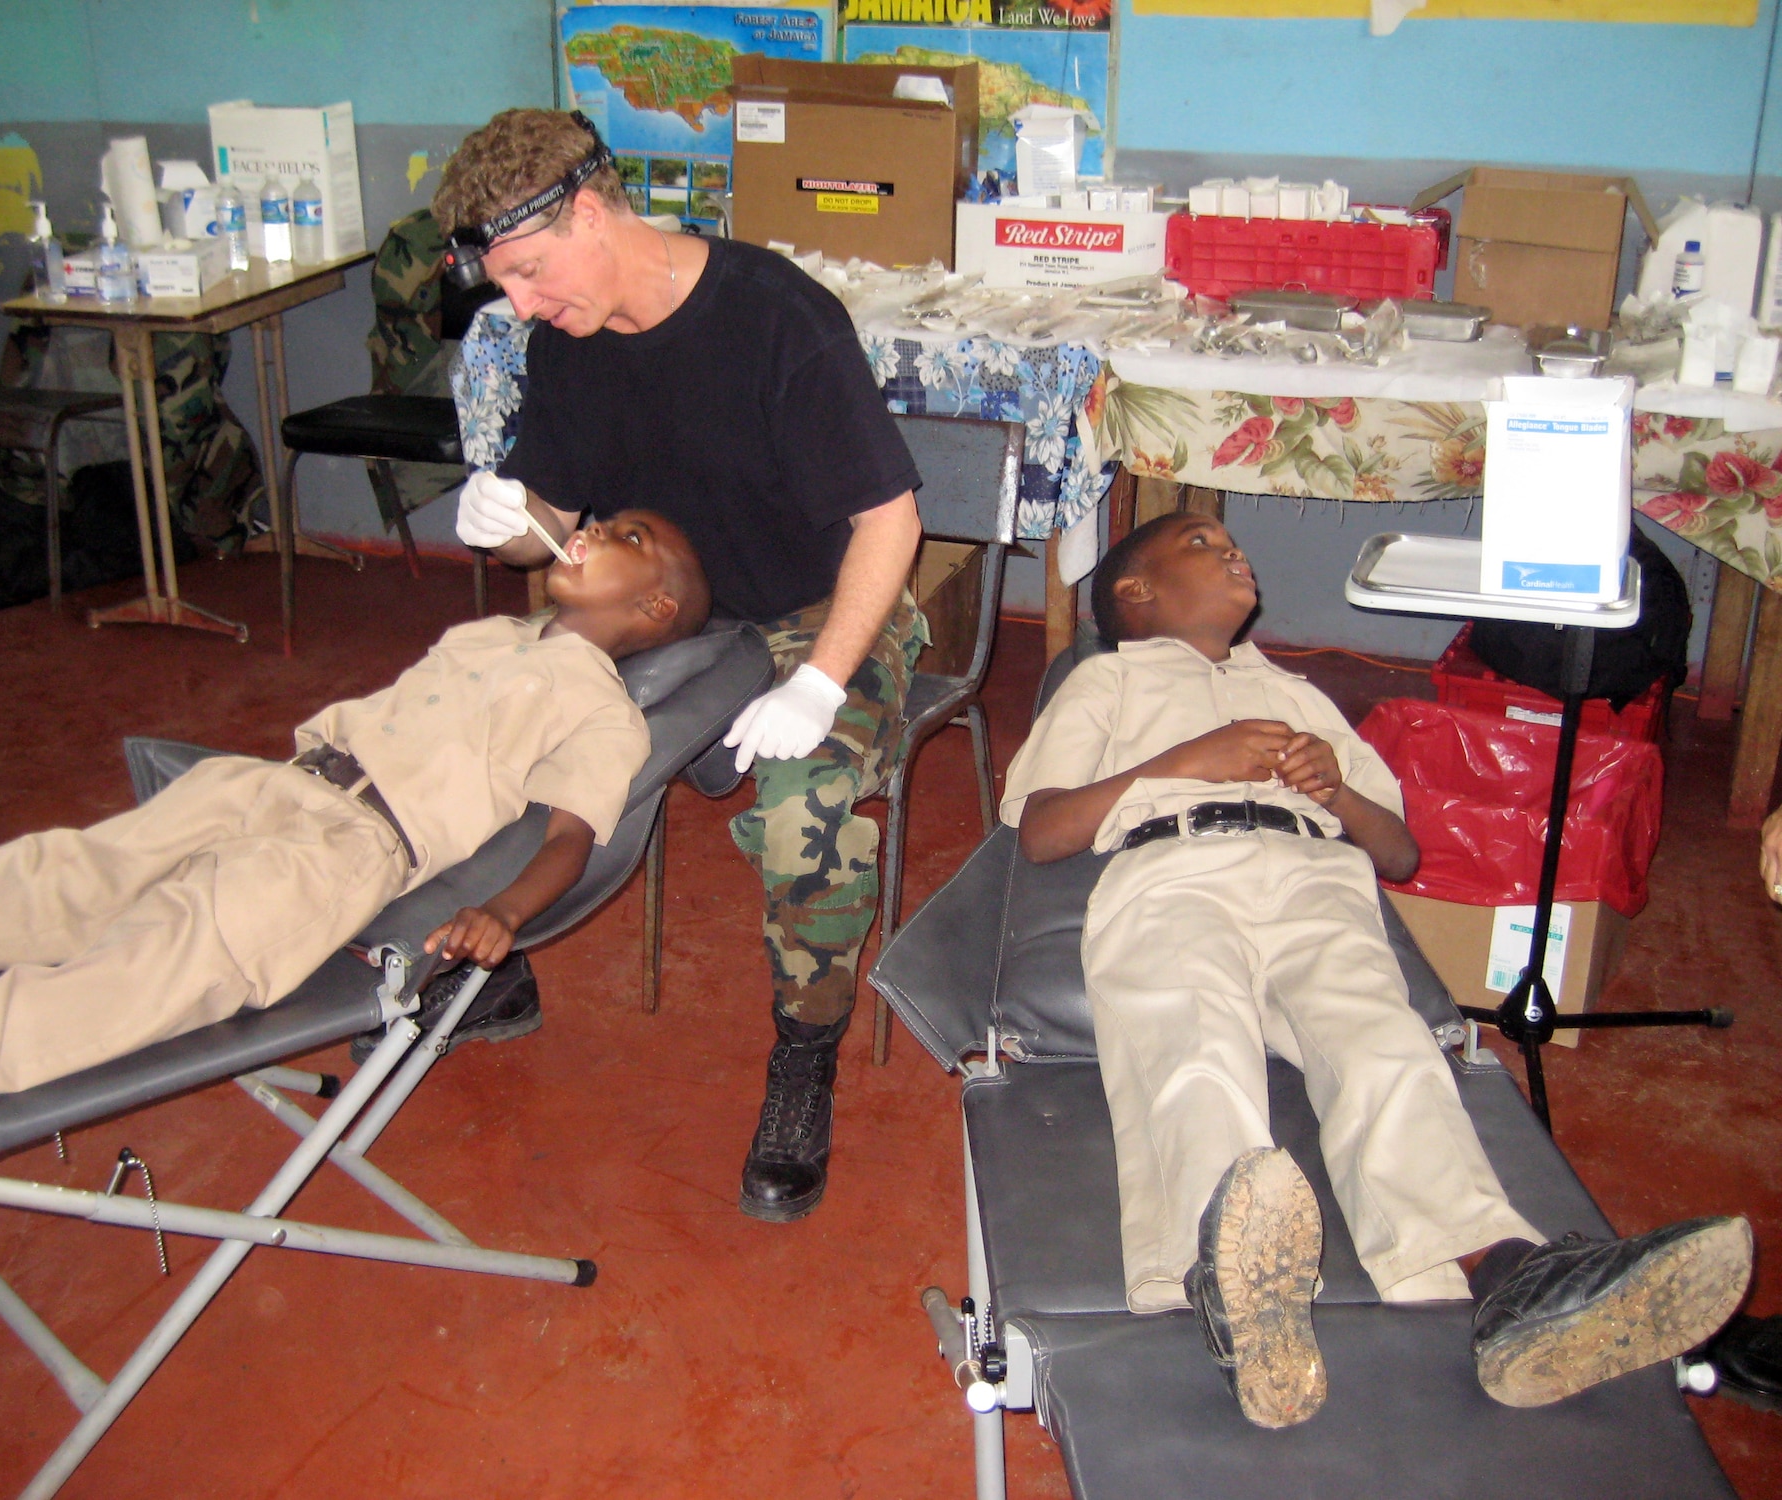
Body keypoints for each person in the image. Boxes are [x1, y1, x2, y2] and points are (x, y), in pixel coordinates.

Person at [998, 511, 1754, 1429]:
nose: (1233, 548)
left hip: (1320, 882)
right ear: (1135, 593)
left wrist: (1337, 788)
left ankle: (1510, 1279)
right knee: (1193, 1049)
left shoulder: (1300, 694)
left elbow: (1395, 854)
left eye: (1230, 541)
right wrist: (1188, 761)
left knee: (1385, 1050)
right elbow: (1042, 831)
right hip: (1170, 875)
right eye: (1199, 542)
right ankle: (1234, 1282)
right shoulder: (1104, 680)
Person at [0, 511, 708, 1145]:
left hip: (346, 851)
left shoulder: (601, 708)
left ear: (655, 608)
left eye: (629, 536)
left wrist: (504, 913)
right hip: (269, 786)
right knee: (64, 875)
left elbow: (571, 833)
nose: (591, 529)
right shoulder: (495, 635)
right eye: (602, 519)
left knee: (173, 954)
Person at [434, 110, 925, 1222]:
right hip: (673, 609)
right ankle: (497, 965)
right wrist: (505, 521)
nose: (519, 306)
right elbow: (551, 517)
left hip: (821, 607)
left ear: (591, 216)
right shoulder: (570, 337)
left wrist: (819, 681)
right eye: (503, 285)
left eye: (526, 272)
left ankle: (803, 1057)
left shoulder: (773, 318)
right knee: (482, 697)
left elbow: (887, 522)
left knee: (808, 805)